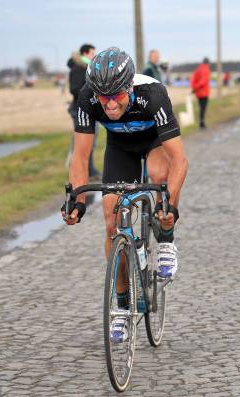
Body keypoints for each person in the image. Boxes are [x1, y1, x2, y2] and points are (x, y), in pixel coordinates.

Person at [62, 47, 189, 343]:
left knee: (160, 176)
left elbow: (180, 161)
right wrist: (78, 201)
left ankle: (166, 237)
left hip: (154, 143)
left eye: (116, 96)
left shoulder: (153, 95)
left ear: (129, 86)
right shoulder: (87, 98)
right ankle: (121, 306)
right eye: (102, 97)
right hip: (120, 149)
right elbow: (80, 158)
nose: (108, 104)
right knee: (111, 223)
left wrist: (168, 204)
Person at [67, 43, 100, 178]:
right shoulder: (77, 69)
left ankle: (90, 170)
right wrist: (89, 90)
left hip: (91, 110)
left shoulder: (89, 68)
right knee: (81, 144)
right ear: (85, 54)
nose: (93, 56)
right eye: (92, 53)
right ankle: (78, 172)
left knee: (91, 143)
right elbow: (74, 89)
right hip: (80, 110)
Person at [190, 57, 211, 129]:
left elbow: (193, 80)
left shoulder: (197, 70)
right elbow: (203, 81)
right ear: (208, 63)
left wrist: (194, 88)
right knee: (203, 108)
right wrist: (197, 87)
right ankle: (202, 123)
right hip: (204, 92)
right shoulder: (206, 70)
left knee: (201, 108)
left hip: (198, 93)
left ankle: (201, 122)